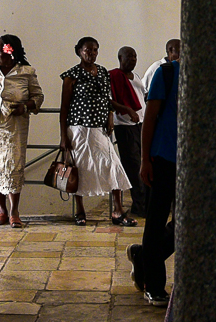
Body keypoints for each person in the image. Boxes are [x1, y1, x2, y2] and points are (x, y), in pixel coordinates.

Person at [58, 37, 133, 224]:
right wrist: (63, 137)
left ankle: (118, 210)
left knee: (113, 165)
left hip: (100, 129)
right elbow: (64, 108)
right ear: (79, 51)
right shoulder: (71, 76)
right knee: (80, 170)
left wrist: (110, 118)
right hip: (79, 129)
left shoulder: (102, 73)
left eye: (95, 50)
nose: (91, 54)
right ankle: (80, 211)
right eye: (87, 50)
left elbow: (107, 99)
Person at [0, 33, 43, 229]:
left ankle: (14, 211)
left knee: (13, 167)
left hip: (15, 128)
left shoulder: (26, 71)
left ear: (10, 51)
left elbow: (38, 96)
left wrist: (26, 106)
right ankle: (2, 210)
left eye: (0, 50)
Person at [133, 48, 181, 307]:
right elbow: (149, 119)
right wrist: (145, 160)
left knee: (185, 222)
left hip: (192, 163)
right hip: (163, 158)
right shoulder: (167, 74)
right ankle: (154, 285)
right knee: (156, 220)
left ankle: (143, 257)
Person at [110, 46, 148, 217]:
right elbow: (109, 101)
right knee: (133, 166)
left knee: (144, 163)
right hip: (125, 126)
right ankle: (139, 205)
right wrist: (129, 110)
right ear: (120, 58)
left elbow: (143, 96)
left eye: (135, 56)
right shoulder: (114, 76)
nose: (133, 59)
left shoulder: (137, 76)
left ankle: (146, 202)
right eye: (129, 56)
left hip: (141, 125)